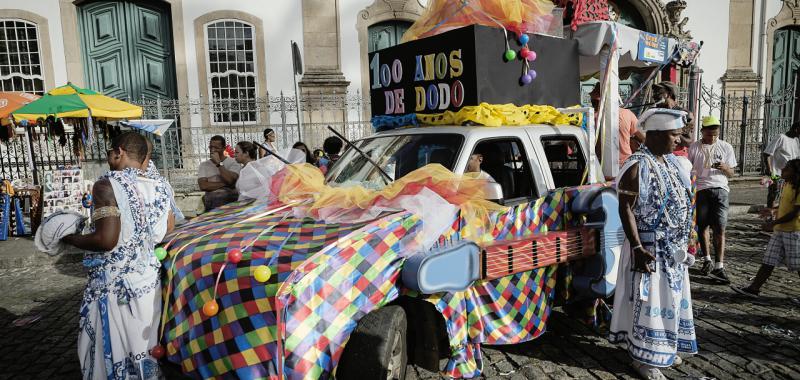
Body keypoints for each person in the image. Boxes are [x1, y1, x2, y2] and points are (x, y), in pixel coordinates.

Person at [60, 132, 174, 379]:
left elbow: (106, 240)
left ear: (119, 152)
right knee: (145, 348)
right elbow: (169, 228)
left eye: (110, 152)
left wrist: (67, 237)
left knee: (111, 353)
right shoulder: (161, 186)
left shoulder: (107, 185)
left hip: (114, 288)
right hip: (148, 284)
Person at [610, 108, 697, 380]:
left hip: (673, 252)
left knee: (671, 301)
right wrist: (637, 248)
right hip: (649, 249)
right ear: (657, 135)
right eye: (674, 135)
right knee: (648, 303)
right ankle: (643, 358)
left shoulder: (672, 162)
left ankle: (664, 347)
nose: (679, 141)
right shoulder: (637, 165)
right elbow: (625, 208)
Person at [733, 159, 800, 299]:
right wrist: (772, 210)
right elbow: (785, 204)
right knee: (769, 259)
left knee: (798, 264)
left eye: (787, 168)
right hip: (780, 231)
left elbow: (795, 212)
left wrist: (773, 223)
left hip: (794, 231)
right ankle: (754, 288)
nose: (782, 169)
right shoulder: (787, 184)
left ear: (795, 173)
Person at [687, 116, 737, 283]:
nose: (712, 138)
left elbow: (732, 174)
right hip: (701, 189)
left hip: (721, 189)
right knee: (702, 226)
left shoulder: (725, 147)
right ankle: (707, 259)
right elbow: (688, 170)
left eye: (715, 135)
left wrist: (725, 168)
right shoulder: (694, 147)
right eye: (709, 135)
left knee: (720, 228)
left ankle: (719, 266)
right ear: (702, 132)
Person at [590, 83, 645, 165]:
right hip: (626, 164)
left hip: (601, 165)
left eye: (594, 102)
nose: (593, 105)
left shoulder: (592, 117)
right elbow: (643, 138)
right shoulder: (627, 114)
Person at [197, 135, 241, 212]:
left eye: (216, 148)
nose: (212, 150)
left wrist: (219, 164)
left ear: (224, 148)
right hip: (211, 204)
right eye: (211, 147)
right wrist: (227, 184)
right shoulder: (204, 165)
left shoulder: (233, 162)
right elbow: (203, 186)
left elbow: (230, 180)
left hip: (231, 203)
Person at [653, 81, 694, 158]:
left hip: (677, 157)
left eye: (658, 93)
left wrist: (669, 131)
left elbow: (688, 142)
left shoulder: (685, 114)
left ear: (669, 94)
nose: (654, 96)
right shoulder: (655, 113)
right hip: (658, 156)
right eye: (654, 93)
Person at [764, 122, 800, 208]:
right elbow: (766, 154)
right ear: (797, 129)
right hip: (777, 173)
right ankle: (770, 214)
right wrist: (770, 170)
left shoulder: (796, 140)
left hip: (791, 175)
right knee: (774, 194)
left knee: (786, 196)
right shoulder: (781, 137)